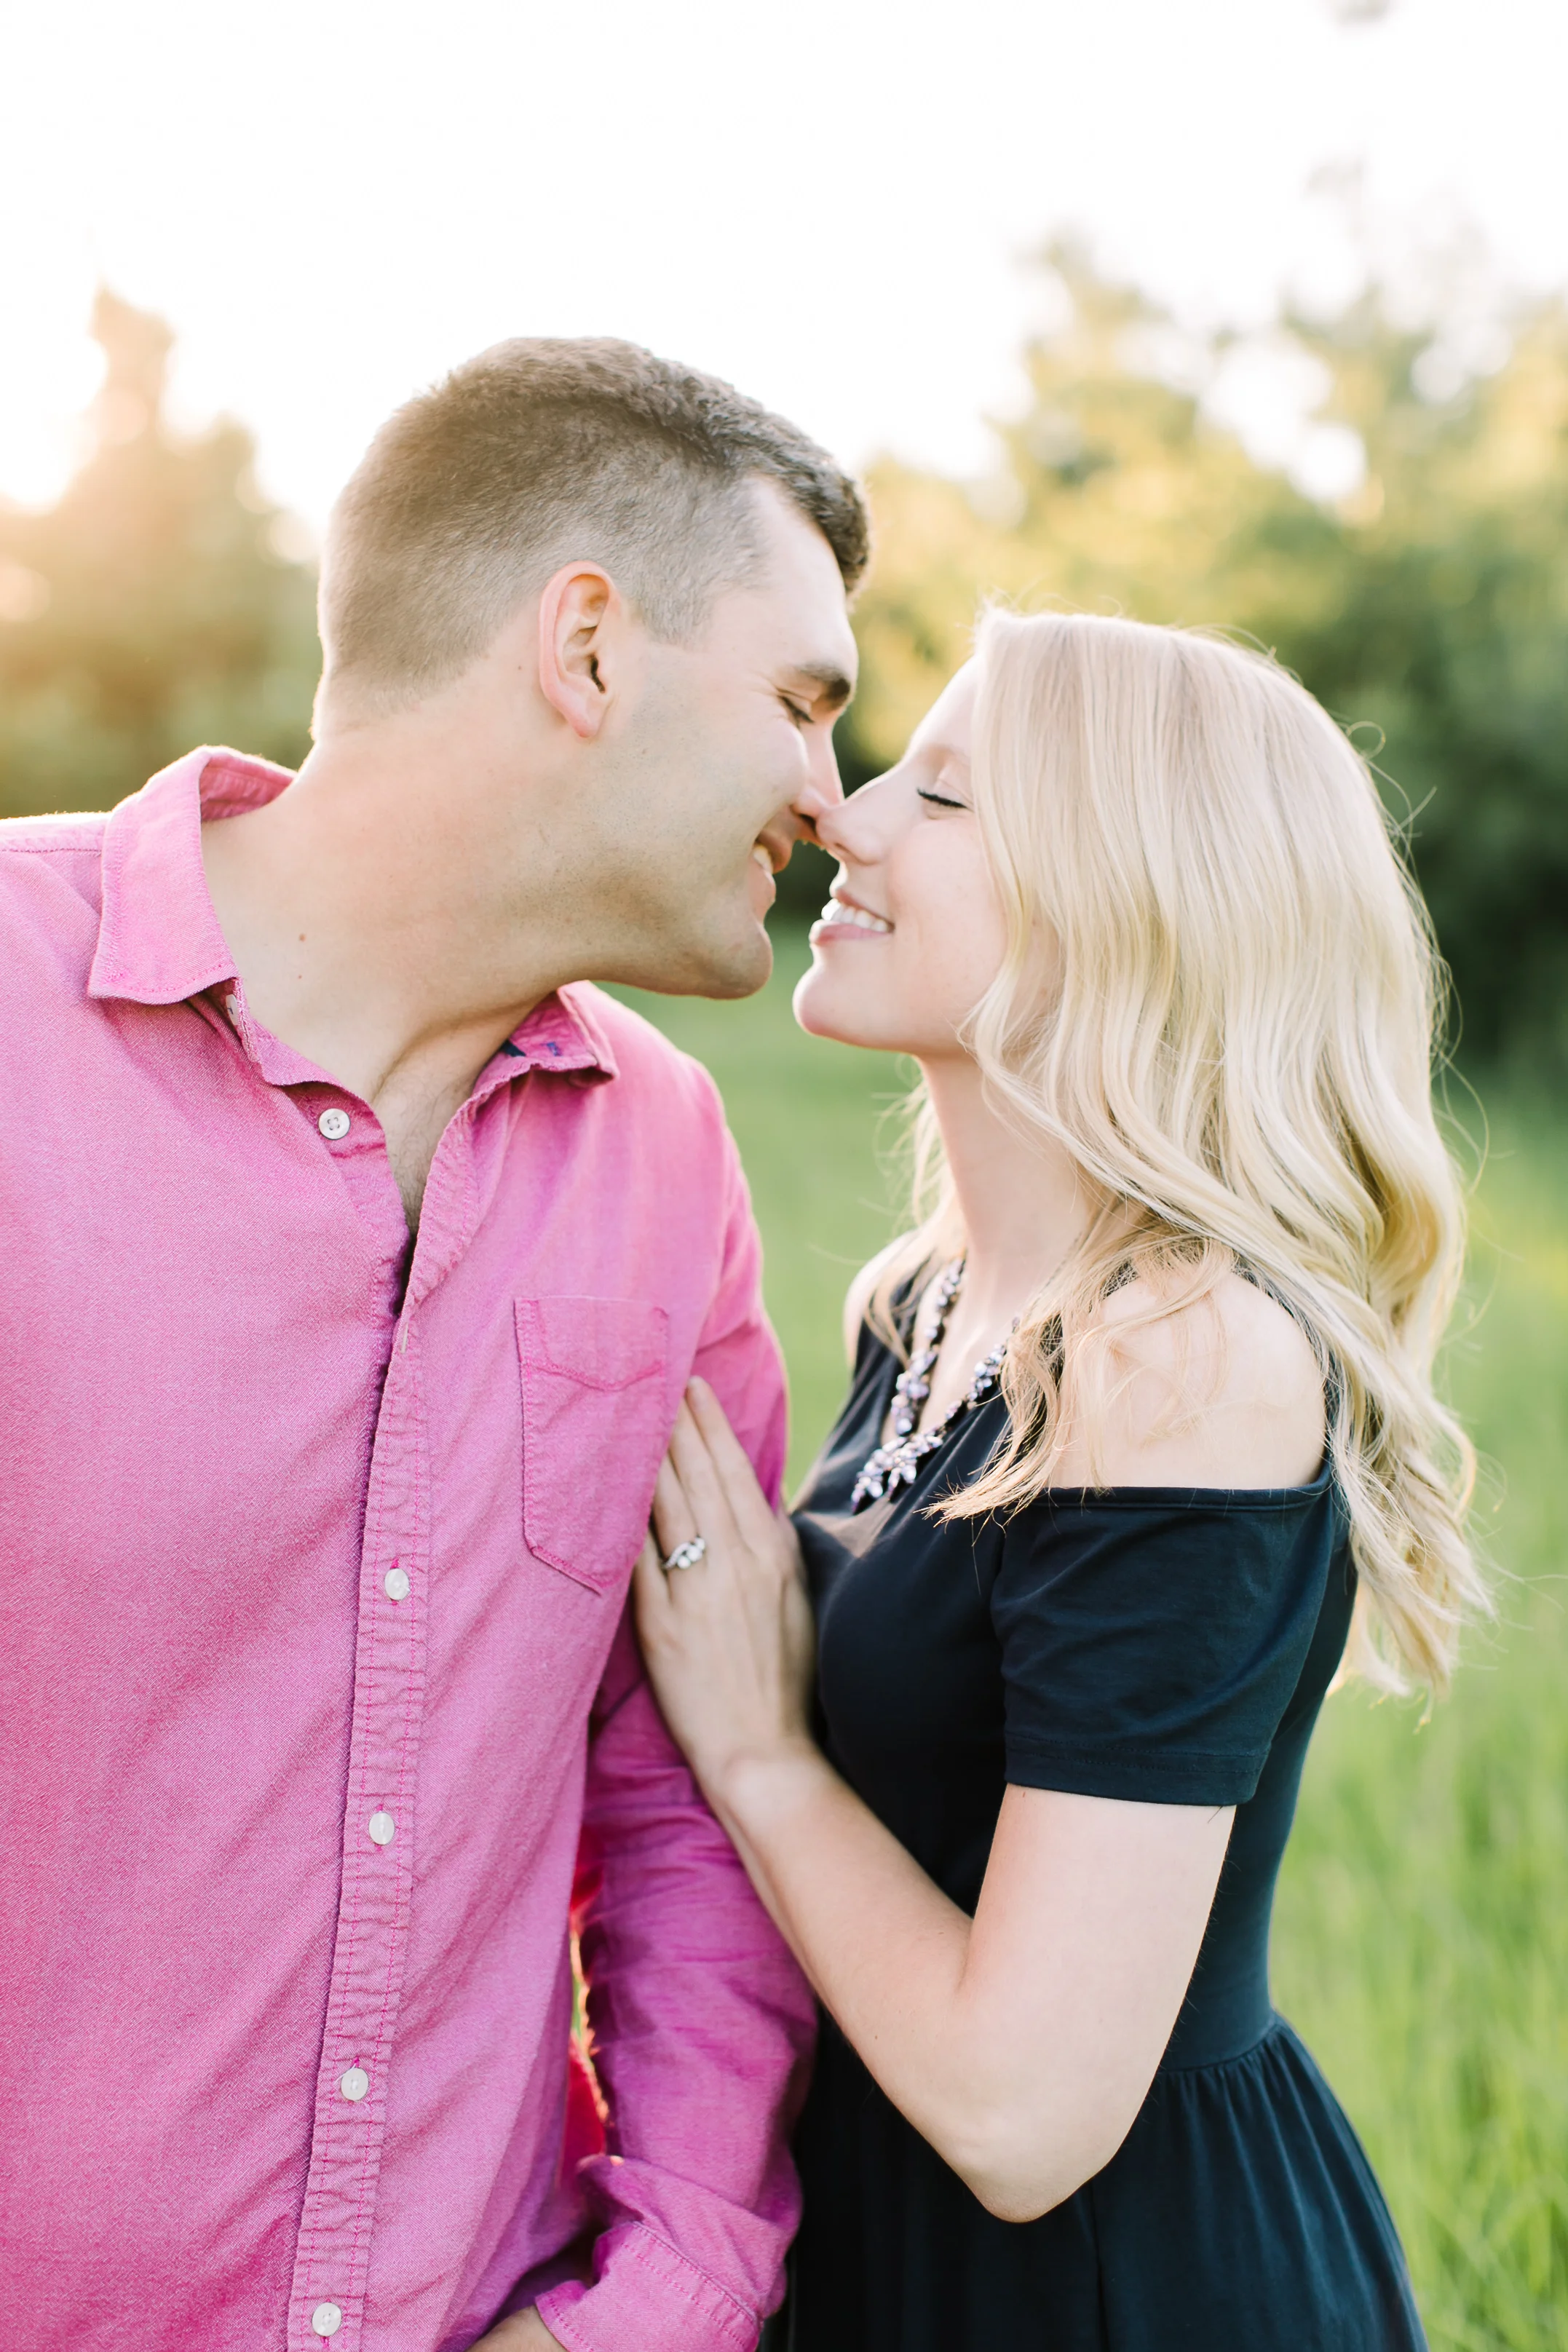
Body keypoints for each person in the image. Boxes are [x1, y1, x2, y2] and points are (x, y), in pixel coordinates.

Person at [0, 338, 867, 2352]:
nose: (831, 792)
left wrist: (651, 2294)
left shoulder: (663, 1151)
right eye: (802, 698)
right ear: (586, 643)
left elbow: (680, 1805)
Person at [634, 611, 1483, 2351]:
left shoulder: (1184, 1359)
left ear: (1125, 910)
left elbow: (1027, 2117)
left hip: (1115, 2282)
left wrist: (755, 1750)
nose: (846, 821)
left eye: (939, 797)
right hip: (886, 2235)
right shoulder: (933, 1302)